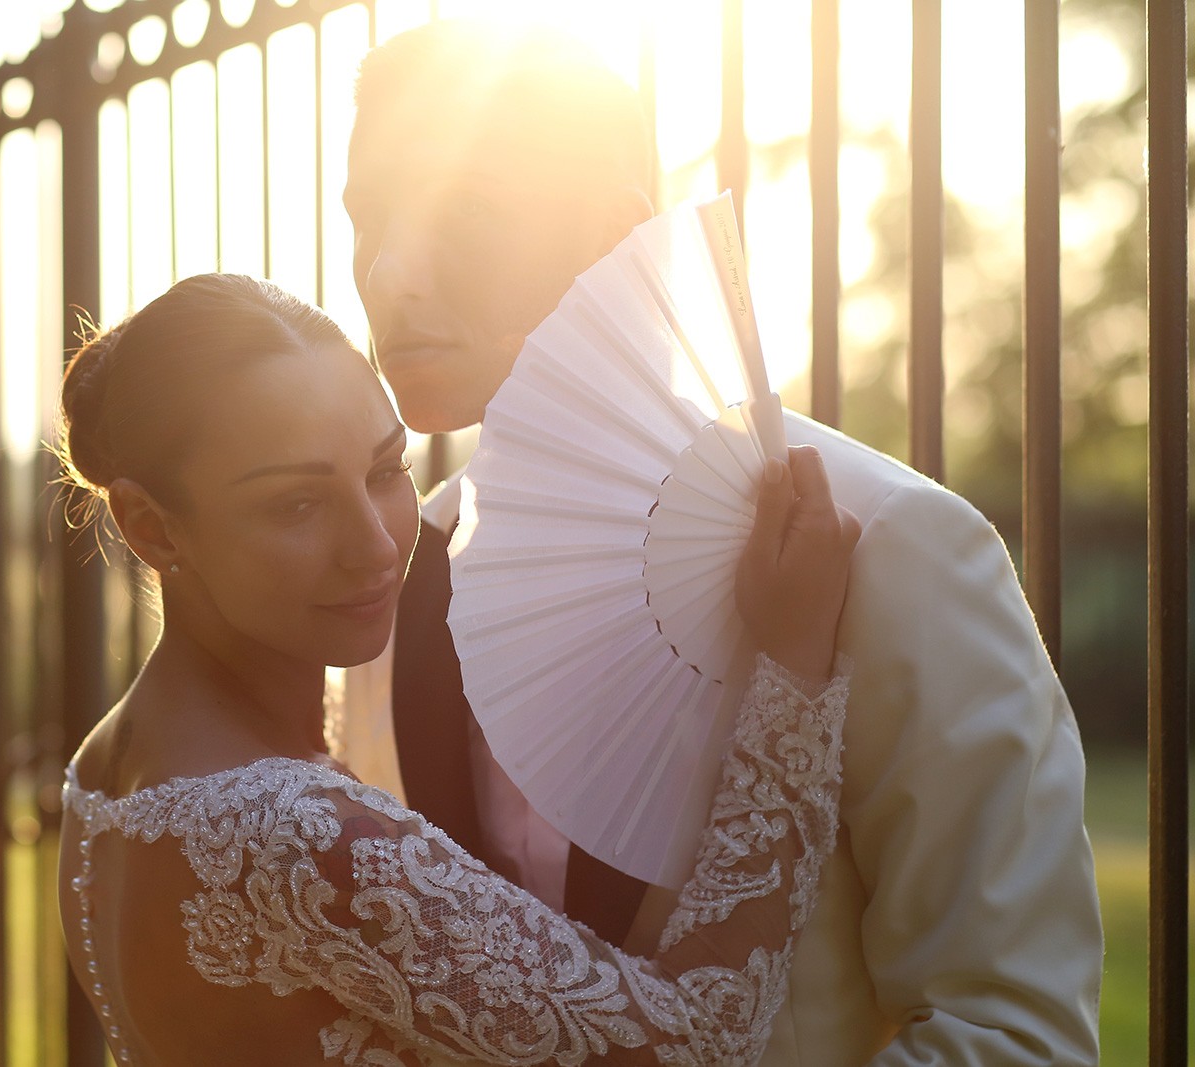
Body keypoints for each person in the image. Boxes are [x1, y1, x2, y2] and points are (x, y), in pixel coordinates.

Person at [335, 19, 1101, 1067]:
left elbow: (1014, 1029)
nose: (391, 274)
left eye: (458, 214)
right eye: (366, 217)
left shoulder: (898, 548)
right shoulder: (407, 576)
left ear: (613, 233)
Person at [55, 272, 860, 1065]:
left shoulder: (102, 775)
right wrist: (792, 671)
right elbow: (697, 1042)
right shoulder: (289, 831)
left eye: (383, 471)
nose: (375, 546)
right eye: (296, 505)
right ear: (151, 527)